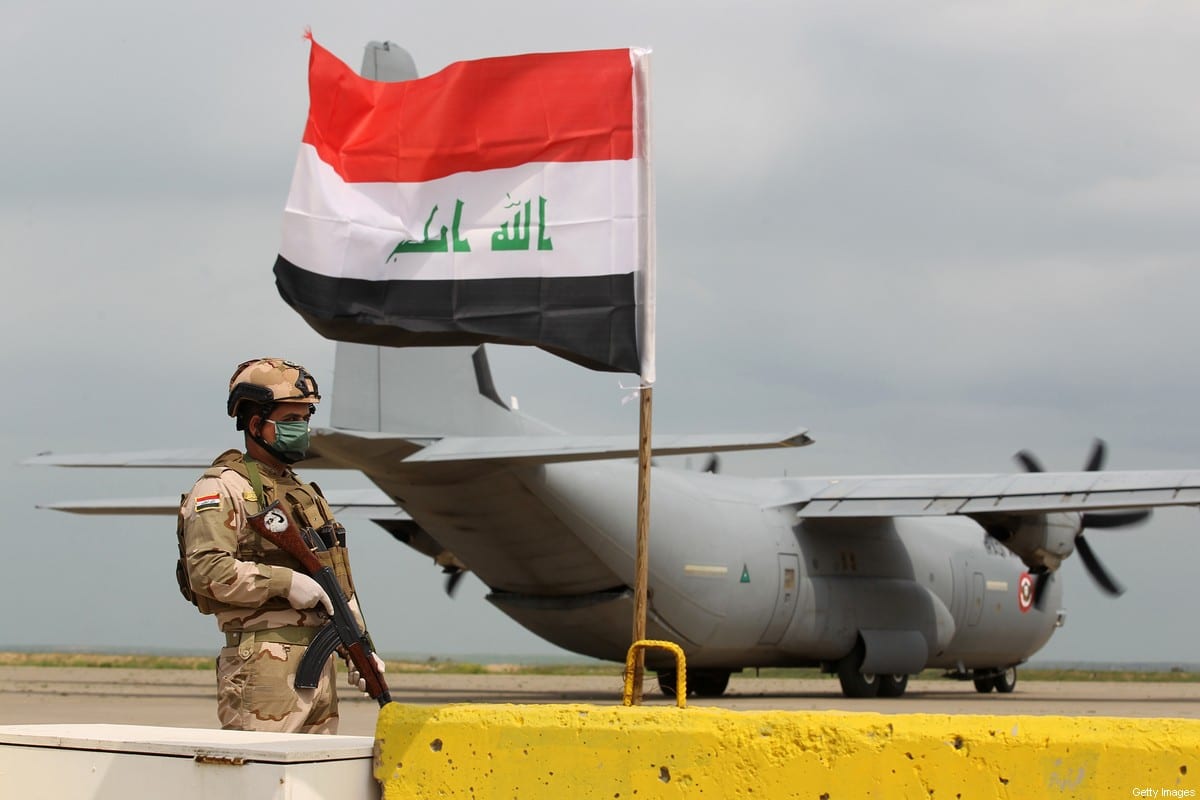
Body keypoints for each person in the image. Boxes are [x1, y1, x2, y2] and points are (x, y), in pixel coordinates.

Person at [177, 357, 383, 733]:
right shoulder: (223, 487)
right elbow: (206, 571)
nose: (301, 429)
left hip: (318, 664)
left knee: (311, 780)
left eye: (305, 419)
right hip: (263, 665)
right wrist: (286, 583)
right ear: (256, 424)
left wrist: (360, 641)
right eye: (290, 421)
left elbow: (334, 575)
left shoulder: (303, 493)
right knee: (260, 780)